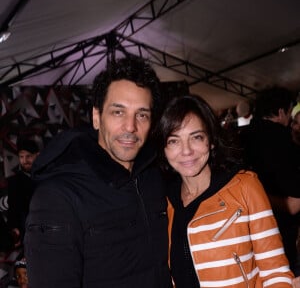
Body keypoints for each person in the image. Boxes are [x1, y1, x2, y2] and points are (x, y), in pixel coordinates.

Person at [24, 56, 172, 288]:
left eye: (141, 114)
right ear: (96, 117)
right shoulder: (58, 197)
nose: (131, 127)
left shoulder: (152, 178)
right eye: (118, 112)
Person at [154, 94, 294, 287]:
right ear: (164, 148)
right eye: (174, 141)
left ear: (211, 141)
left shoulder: (244, 186)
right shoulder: (164, 202)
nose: (186, 151)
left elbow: (276, 273)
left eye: (196, 137)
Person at [239, 87, 300, 274]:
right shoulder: (283, 141)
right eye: (291, 116)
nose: (292, 124)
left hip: (245, 235)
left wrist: (249, 196)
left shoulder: (240, 136)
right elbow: (293, 205)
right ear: (282, 112)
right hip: (278, 235)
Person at [7, 139, 39, 248]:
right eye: (21, 157)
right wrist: (14, 229)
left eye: (28, 156)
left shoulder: (46, 178)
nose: (24, 160)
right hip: (28, 232)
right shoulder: (14, 182)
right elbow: (13, 208)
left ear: (37, 155)